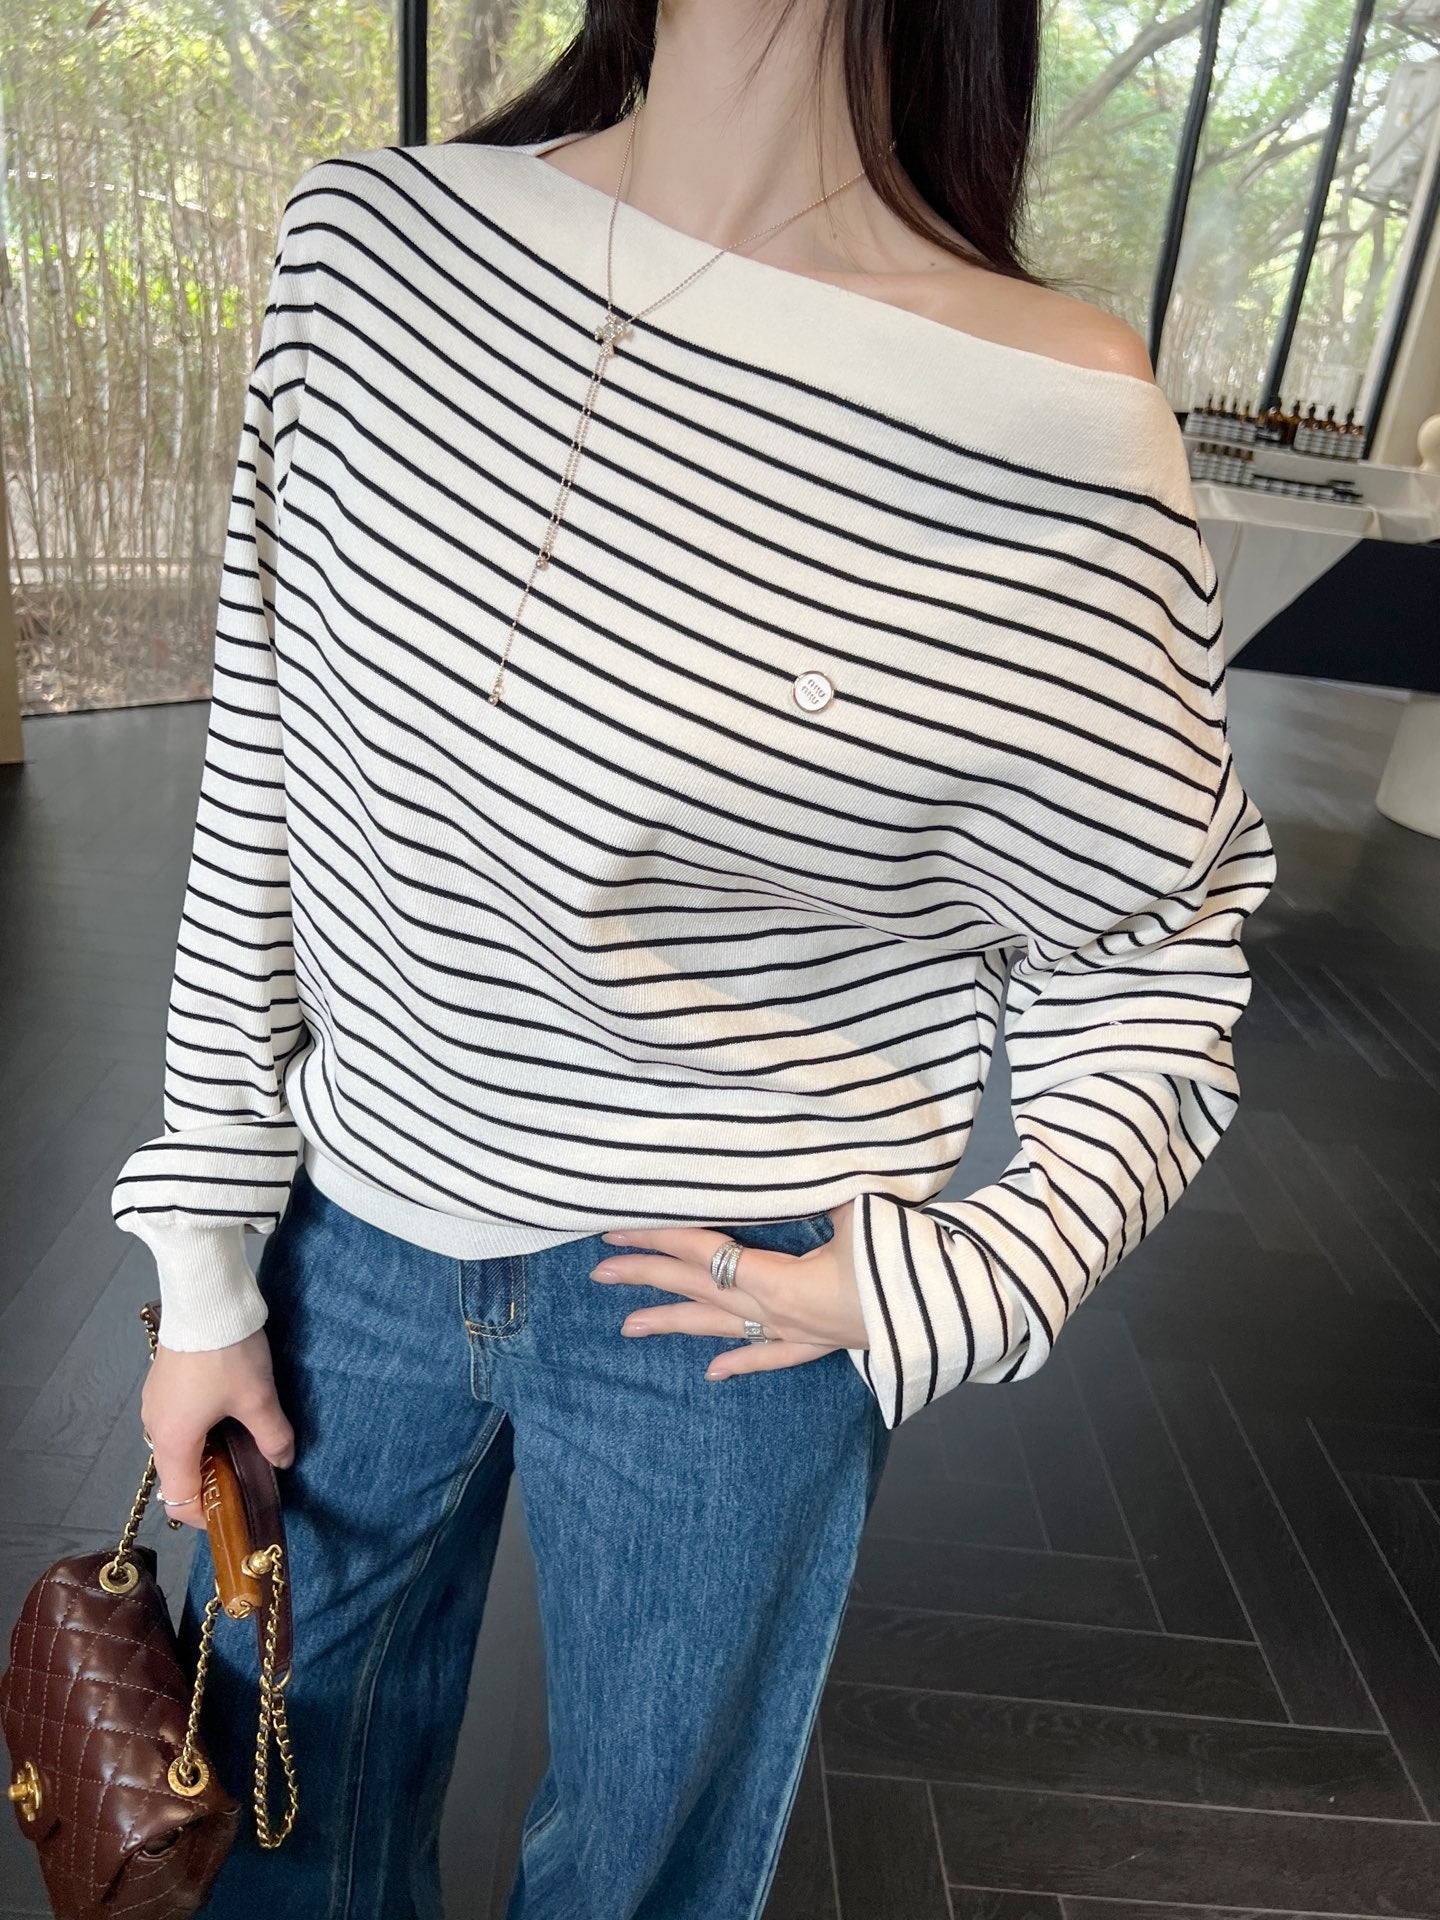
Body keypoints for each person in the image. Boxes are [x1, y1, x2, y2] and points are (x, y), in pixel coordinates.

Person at [110, 0, 1277, 1914]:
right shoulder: (370, 254)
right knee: (270, 1838)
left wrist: (966, 1272)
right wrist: (206, 1262)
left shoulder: (1055, 426)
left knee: (646, 1879)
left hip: (737, 1299)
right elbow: (267, 784)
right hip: (355, 1233)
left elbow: (1148, 954)